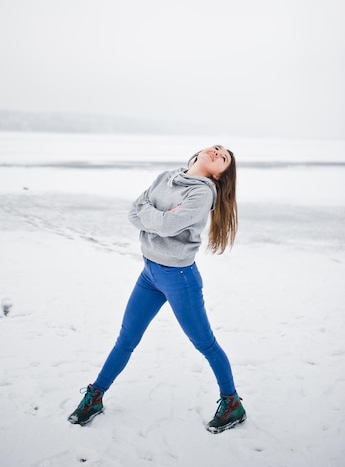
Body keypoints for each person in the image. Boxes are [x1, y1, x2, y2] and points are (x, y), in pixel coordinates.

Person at [68, 145, 246, 434]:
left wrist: (154, 214)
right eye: (214, 149)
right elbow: (134, 213)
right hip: (150, 273)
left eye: (222, 158)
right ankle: (96, 395)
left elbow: (166, 224)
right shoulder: (166, 177)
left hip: (180, 279)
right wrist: (158, 218)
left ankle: (232, 402)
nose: (216, 153)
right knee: (126, 339)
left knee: (206, 344)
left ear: (218, 174)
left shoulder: (202, 193)